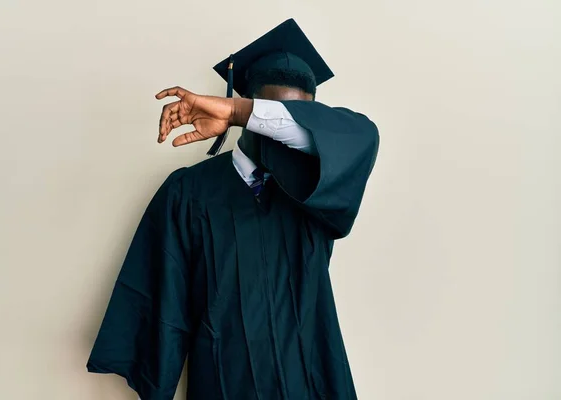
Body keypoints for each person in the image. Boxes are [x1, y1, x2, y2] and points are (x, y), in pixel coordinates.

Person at [87, 19, 379, 400]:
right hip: (225, 384)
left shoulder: (319, 188)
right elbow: (164, 301)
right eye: (273, 115)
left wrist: (243, 113)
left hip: (313, 383)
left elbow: (361, 135)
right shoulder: (188, 193)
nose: (280, 129)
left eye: (291, 120)